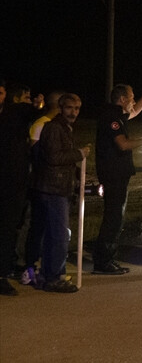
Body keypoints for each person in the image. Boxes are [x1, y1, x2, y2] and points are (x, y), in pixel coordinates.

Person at [92, 74, 142, 274]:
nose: (133, 101)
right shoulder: (111, 118)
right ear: (122, 99)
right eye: (131, 97)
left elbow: (136, 110)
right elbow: (122, 144)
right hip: (113, 175)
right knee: (113, 218)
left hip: (117, 175)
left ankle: (107, 260)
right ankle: (103, 262)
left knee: (116, 217)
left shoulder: (117, 115)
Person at [31, 93, 88, 294]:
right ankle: (54, 277)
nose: (74, 112)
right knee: (60, 235)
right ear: (61, 108)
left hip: (57, 187)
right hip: (53, 188)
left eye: (77, 108)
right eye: (70, 108)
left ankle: (48, 275)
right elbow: (54, 157)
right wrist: (79, 154)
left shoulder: (65, 128)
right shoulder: (55, 128)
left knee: (53, 234)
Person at [0, 81, 44, 296]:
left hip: (13, 182)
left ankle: (3, 272)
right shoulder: (14, 113)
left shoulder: (13, 116)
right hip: (10, 181)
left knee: (9, 228)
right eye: (26, 98)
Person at [21, 90, 64, 281]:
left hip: (51, 184)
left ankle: (45, 266)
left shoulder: (55, 125)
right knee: (38, 226)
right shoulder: (42, 125)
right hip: (40, 184)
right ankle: (29, 267)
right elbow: (35, 155)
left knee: (48, 227)